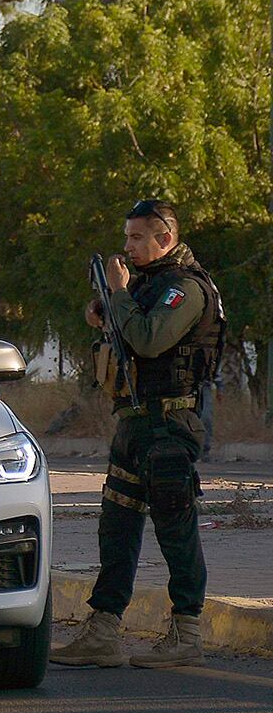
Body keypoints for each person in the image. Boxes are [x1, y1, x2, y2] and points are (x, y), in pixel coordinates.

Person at [52, 199, 221, 669]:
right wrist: (104, 308)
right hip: (133, 423)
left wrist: (120, 296)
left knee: (174, 526)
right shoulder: (148, 286)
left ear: (165, 237)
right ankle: (103, 631)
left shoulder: (185, 288)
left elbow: (149, 339)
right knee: (117, 527)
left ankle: (187, 631)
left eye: (136, 238)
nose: (127, 247)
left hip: (170, 425)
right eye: (126, 237)